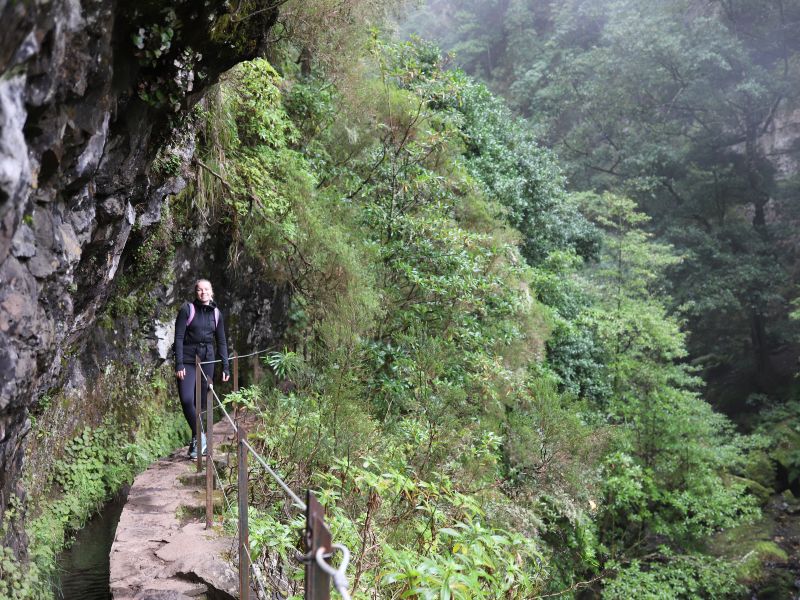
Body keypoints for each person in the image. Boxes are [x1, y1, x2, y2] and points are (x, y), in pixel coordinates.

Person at [174, 279, 230, 459]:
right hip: (188, 360)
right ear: (196, 292)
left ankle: (196, 444)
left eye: (206, 289)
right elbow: (179, 338)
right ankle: (201, 437)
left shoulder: (216, 314)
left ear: (211, 292)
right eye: (199, 290)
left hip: (207, 360)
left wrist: (225, 366)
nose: (203, 292)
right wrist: (179, 363)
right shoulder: (187, 310)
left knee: (201, 404)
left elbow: (221, 341)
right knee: (186, 399)